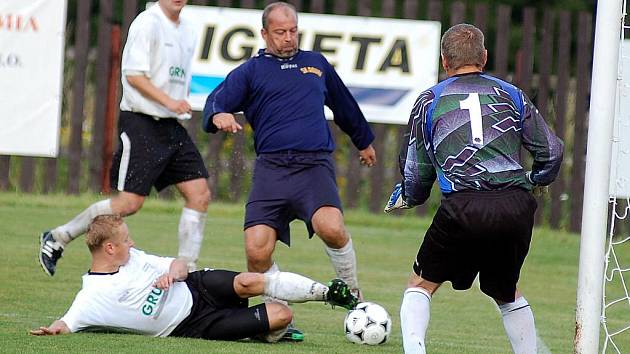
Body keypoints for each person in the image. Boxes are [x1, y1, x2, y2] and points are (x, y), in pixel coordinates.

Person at [201, 1, 376, 339]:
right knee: (256, 250)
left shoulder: (315, 63)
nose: (288, 37)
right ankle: (275, 320)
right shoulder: (251, 71)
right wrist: (218, 115)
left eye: (293, 30)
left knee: (332, 227)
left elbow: (344, 105)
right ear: (264, 33)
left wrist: (364, 141)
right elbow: (216, 100)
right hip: (272, 170)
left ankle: (355, 296)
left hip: (314, 166)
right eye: (280, 32)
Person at [385, 24, 563, 354]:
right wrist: (534, 181)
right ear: (484, 57)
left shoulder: (430, 100)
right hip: (515, 206)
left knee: (421, 285)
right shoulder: (512, 94)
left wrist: (410, 196)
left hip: (464, 206)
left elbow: (417, 169)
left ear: (444, 61)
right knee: (506, 292)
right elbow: (551, 151)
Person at [39, 0, 210, 276]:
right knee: (128, 203)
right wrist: (170, 101)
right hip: (141, 122)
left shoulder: (188, 28)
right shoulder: (147, 23)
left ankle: (188, 269)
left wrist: (177, 104)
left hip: (171, 125)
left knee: (199, 194)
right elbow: (133, 76)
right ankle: (59, 236)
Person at [30, 214, 359, 342]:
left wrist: (173, 274)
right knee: (282, 315)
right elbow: (65, 322)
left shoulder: (136, 257)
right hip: (193, 326)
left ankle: (329, 293)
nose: (132, 243)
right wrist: (52, 329)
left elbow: (179, 264)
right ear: (111, 247)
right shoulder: (90, 298)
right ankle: (265, 333)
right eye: (127, 239)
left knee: (248, 281)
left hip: (197, 285)